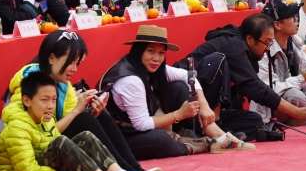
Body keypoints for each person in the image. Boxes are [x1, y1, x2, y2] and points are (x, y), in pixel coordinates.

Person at [0, 71, 165, 171]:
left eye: (53, 100)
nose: (50, 106)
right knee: (61, 142)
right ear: (27, 100)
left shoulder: (44, 118)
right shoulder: (16, 126)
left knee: (86, 137)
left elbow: (49, 147)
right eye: (44, 100)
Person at [101, 26, 252, 157]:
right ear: (138, 51)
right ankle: (208, 143)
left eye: (161, 53)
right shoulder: (131, 80)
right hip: (121, 134)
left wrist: (204, 106)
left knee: (180, 87)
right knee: (160, 140)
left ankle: (216, 135)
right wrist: (179, 114)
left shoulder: (151, 67)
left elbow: (188, 76)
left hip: (145, 121)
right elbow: (142, 124)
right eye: (150, 51)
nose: (156, 58)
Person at [5, 30, 144, 171]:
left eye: (77, 63)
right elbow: (41, 135)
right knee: (83, 118)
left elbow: (70, 123)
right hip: (32, 155)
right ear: (51, 58)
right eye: (71, 62)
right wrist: (77, 110)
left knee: (97, 115)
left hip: (54, 143)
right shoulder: (29, 83)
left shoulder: (64, 86)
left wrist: (91, 110)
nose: (74, 69)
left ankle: (135, 169)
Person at [188, 13, 306, 138]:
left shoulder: (248, 51)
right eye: (267, 42)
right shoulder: (233, 45)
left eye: (271, 43)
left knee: (255, 121)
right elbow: (255, 87)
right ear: (250, 39)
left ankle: (217, 132)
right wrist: (295, 111)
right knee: (218, 59)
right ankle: (208, 129)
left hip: (218, 111)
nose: (268, 48)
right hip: (190, 101)